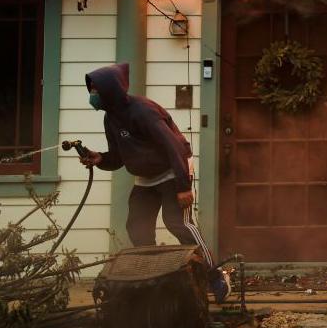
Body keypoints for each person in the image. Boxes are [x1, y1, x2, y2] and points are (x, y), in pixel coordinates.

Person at [79, 63, 230, 302]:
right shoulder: (111, 118)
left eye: (96, 90)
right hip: (146, 178)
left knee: (178, 223)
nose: (92, 95)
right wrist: (100, 159)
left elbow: (174, 147)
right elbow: (118, 157)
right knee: (136, 226)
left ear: (110, 90)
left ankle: (215, 275)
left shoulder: (143, 111)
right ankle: (151, 277)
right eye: (92, 90)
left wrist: (183, 186)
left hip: (173, 170)